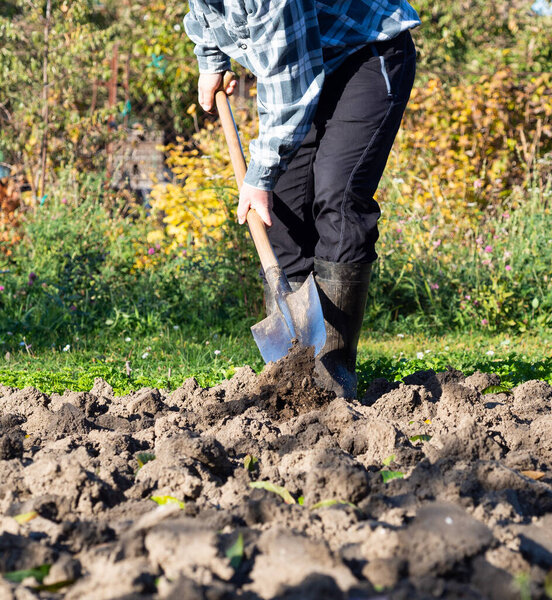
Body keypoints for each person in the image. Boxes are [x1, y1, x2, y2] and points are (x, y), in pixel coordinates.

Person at [184, 0, 421, 398]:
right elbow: (205, 13)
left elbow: (287, 87)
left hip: (364, 54)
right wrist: (211, 62)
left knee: (338, 196)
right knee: (281, 209)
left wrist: (258, 176)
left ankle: (332, 373)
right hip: (306, 64)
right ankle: (292, 373)